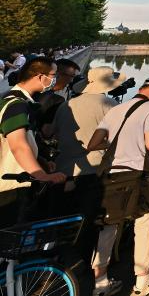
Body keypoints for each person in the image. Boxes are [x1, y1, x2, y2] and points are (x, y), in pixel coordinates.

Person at [87, 76, 149, 296]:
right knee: (147, 221)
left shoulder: (116, 109)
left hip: (111, 174)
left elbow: (93, 144)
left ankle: (101, 283)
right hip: (136, 176)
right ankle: (143, 283)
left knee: (108, 225)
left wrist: (119, 144)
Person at [0, 58, 66, 227]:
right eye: (53, 75)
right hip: (9, 185)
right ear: (39, 76)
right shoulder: (16, 105)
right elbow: (18, 145)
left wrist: (41, 161)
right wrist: (41, 174)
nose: (55, 79)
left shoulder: (14, 100)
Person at [53, 66, 119, 179]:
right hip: (95, 167)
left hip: (64, 168)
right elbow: (118, 137)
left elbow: (56, 134)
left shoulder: (66, 104)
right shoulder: (111, 104)